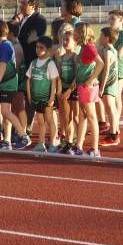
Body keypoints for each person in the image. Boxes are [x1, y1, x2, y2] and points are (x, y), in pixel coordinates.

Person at [0, 20, 31, 150]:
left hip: (8, 83)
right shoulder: (4, 45)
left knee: (6, 111)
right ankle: (6, 141)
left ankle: (23, 135)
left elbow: (2, 67)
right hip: (6, 83)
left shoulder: (4, 46)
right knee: (6, 112)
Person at [11, 0, 48, 132]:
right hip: (17, 61)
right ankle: (18, 124)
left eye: (24, 3)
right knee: (17, 94)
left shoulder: (40, 20)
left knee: (29, 95)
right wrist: (15, 22)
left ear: (33, 6)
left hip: (31, 60)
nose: (21, 5)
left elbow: (31, 38)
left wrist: (18, 36)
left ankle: (27, 125)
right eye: (21, 2)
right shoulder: (18, 17)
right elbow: (6, 32)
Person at [73, 23, 104, 158]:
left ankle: (95, 148)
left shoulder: (90, 47)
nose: (73, 34)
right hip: (81, 86)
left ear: (81, 33)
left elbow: (100, 63)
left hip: (88, 87)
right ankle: (79, 146)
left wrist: (91, 80)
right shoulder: (82, 48)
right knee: (83, 116)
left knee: (91, 116)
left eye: (75, 32)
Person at [26, 36, 60, 152]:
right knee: (40, 122)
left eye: (41, 48)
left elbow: (54, 82)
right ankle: (41, 143)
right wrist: (29, 95)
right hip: (36, 99)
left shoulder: (50, 64)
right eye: (37, 47)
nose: (38, 50)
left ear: (49, 49)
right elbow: (28, 80)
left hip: (46, 99)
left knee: (50, 120)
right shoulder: (34, 62)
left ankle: (53, 142)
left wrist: (52, 97)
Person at [107, 9, 123, 144]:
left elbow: (120, 53)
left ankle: (115, 128)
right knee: (110, 99)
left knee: (115, 98)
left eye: (113, 19)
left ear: (121, 20)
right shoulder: (109, 33)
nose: (110, 22)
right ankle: (113, 125)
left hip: (119, 70)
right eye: (109, 19)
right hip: (109, 69)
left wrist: (108, 54)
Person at [55, 23, 79, 154]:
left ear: (75, 42)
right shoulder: (62, 57)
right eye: (63, 39)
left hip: (73, 90)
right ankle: (68, 140)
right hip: (64, 90)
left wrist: (70, 89)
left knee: (74, 117)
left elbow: (77, 75)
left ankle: (75, 140)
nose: (64, 42)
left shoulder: (75, 57)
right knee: (65, 116)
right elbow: (59, 73)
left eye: (67, 40)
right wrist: (59, 89)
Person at [98, 27, 121, 147]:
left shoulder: (108, 51)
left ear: (107, 38)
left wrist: (102, 87)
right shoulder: (112, 49)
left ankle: (113, 136)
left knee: (111, 109)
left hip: (109, 84)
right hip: (111, 83)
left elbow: (106, 70)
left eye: (101, 36)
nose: (99, 38)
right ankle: (115, 131)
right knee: (112, 109)